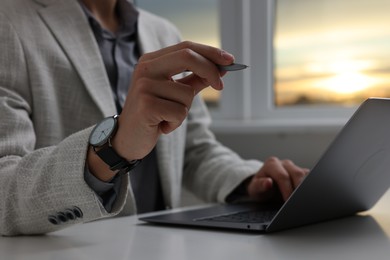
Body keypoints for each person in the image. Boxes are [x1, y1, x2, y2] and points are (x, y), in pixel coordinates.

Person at [0, 0, 309, 236]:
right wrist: (111, 150)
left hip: (161, 247)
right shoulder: (9, 21)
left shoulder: (162, 31)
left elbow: (194, 151)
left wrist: (251, 181)